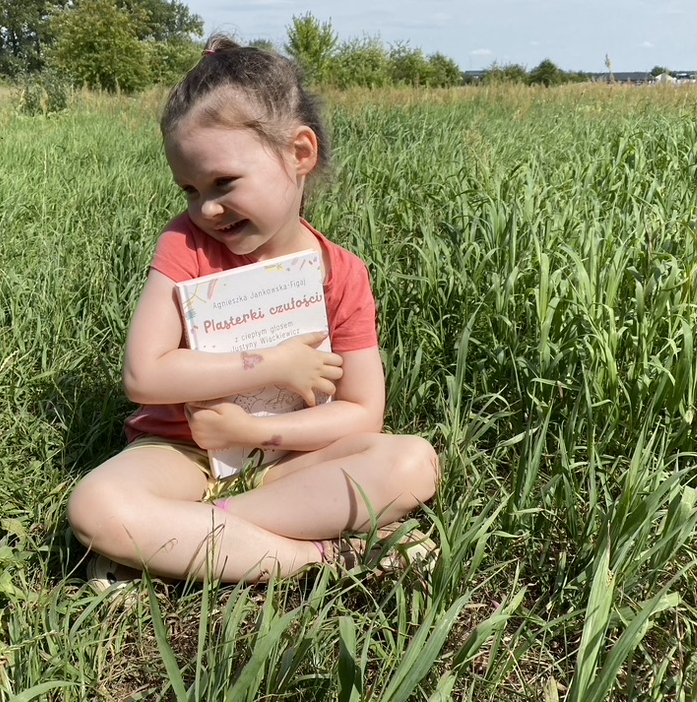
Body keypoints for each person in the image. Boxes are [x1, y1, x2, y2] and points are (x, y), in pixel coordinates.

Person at [67, 35, 440, 587]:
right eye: (189, 189)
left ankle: (193, 538)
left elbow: (363, 412)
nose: (206, 208)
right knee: (96, 507)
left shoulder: (343, 273)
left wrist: (252, 430)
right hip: (183, 452)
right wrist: (271, 366)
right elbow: (143, 376)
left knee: (415, 462)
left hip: (290, 457)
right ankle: (326, 560)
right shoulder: (186, 245)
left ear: (300, 154)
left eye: (224, 183)